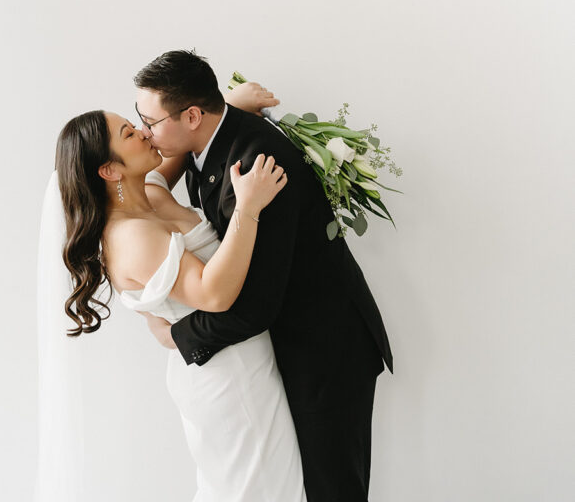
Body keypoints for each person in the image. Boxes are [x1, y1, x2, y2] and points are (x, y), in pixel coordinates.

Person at [134, 50, 394, 502]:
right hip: (283, 349)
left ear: (192, 115)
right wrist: (230, 103)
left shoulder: (257, 164)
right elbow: (157, 181)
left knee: (333, 492)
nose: (143, 130)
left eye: (149, 121)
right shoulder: (205, 139)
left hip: (324, 352)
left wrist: (177, 336)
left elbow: (256, 304)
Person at [38, 78, 308, 502]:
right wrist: (249, 208)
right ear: (109, 170)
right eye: (130, 133)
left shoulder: (145, 192)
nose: (145, 131)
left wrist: (224, 108)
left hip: (242, 361)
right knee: (258, 490)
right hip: (226, 379)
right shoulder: (131, 236)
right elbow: (214, 294)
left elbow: (180, 147)